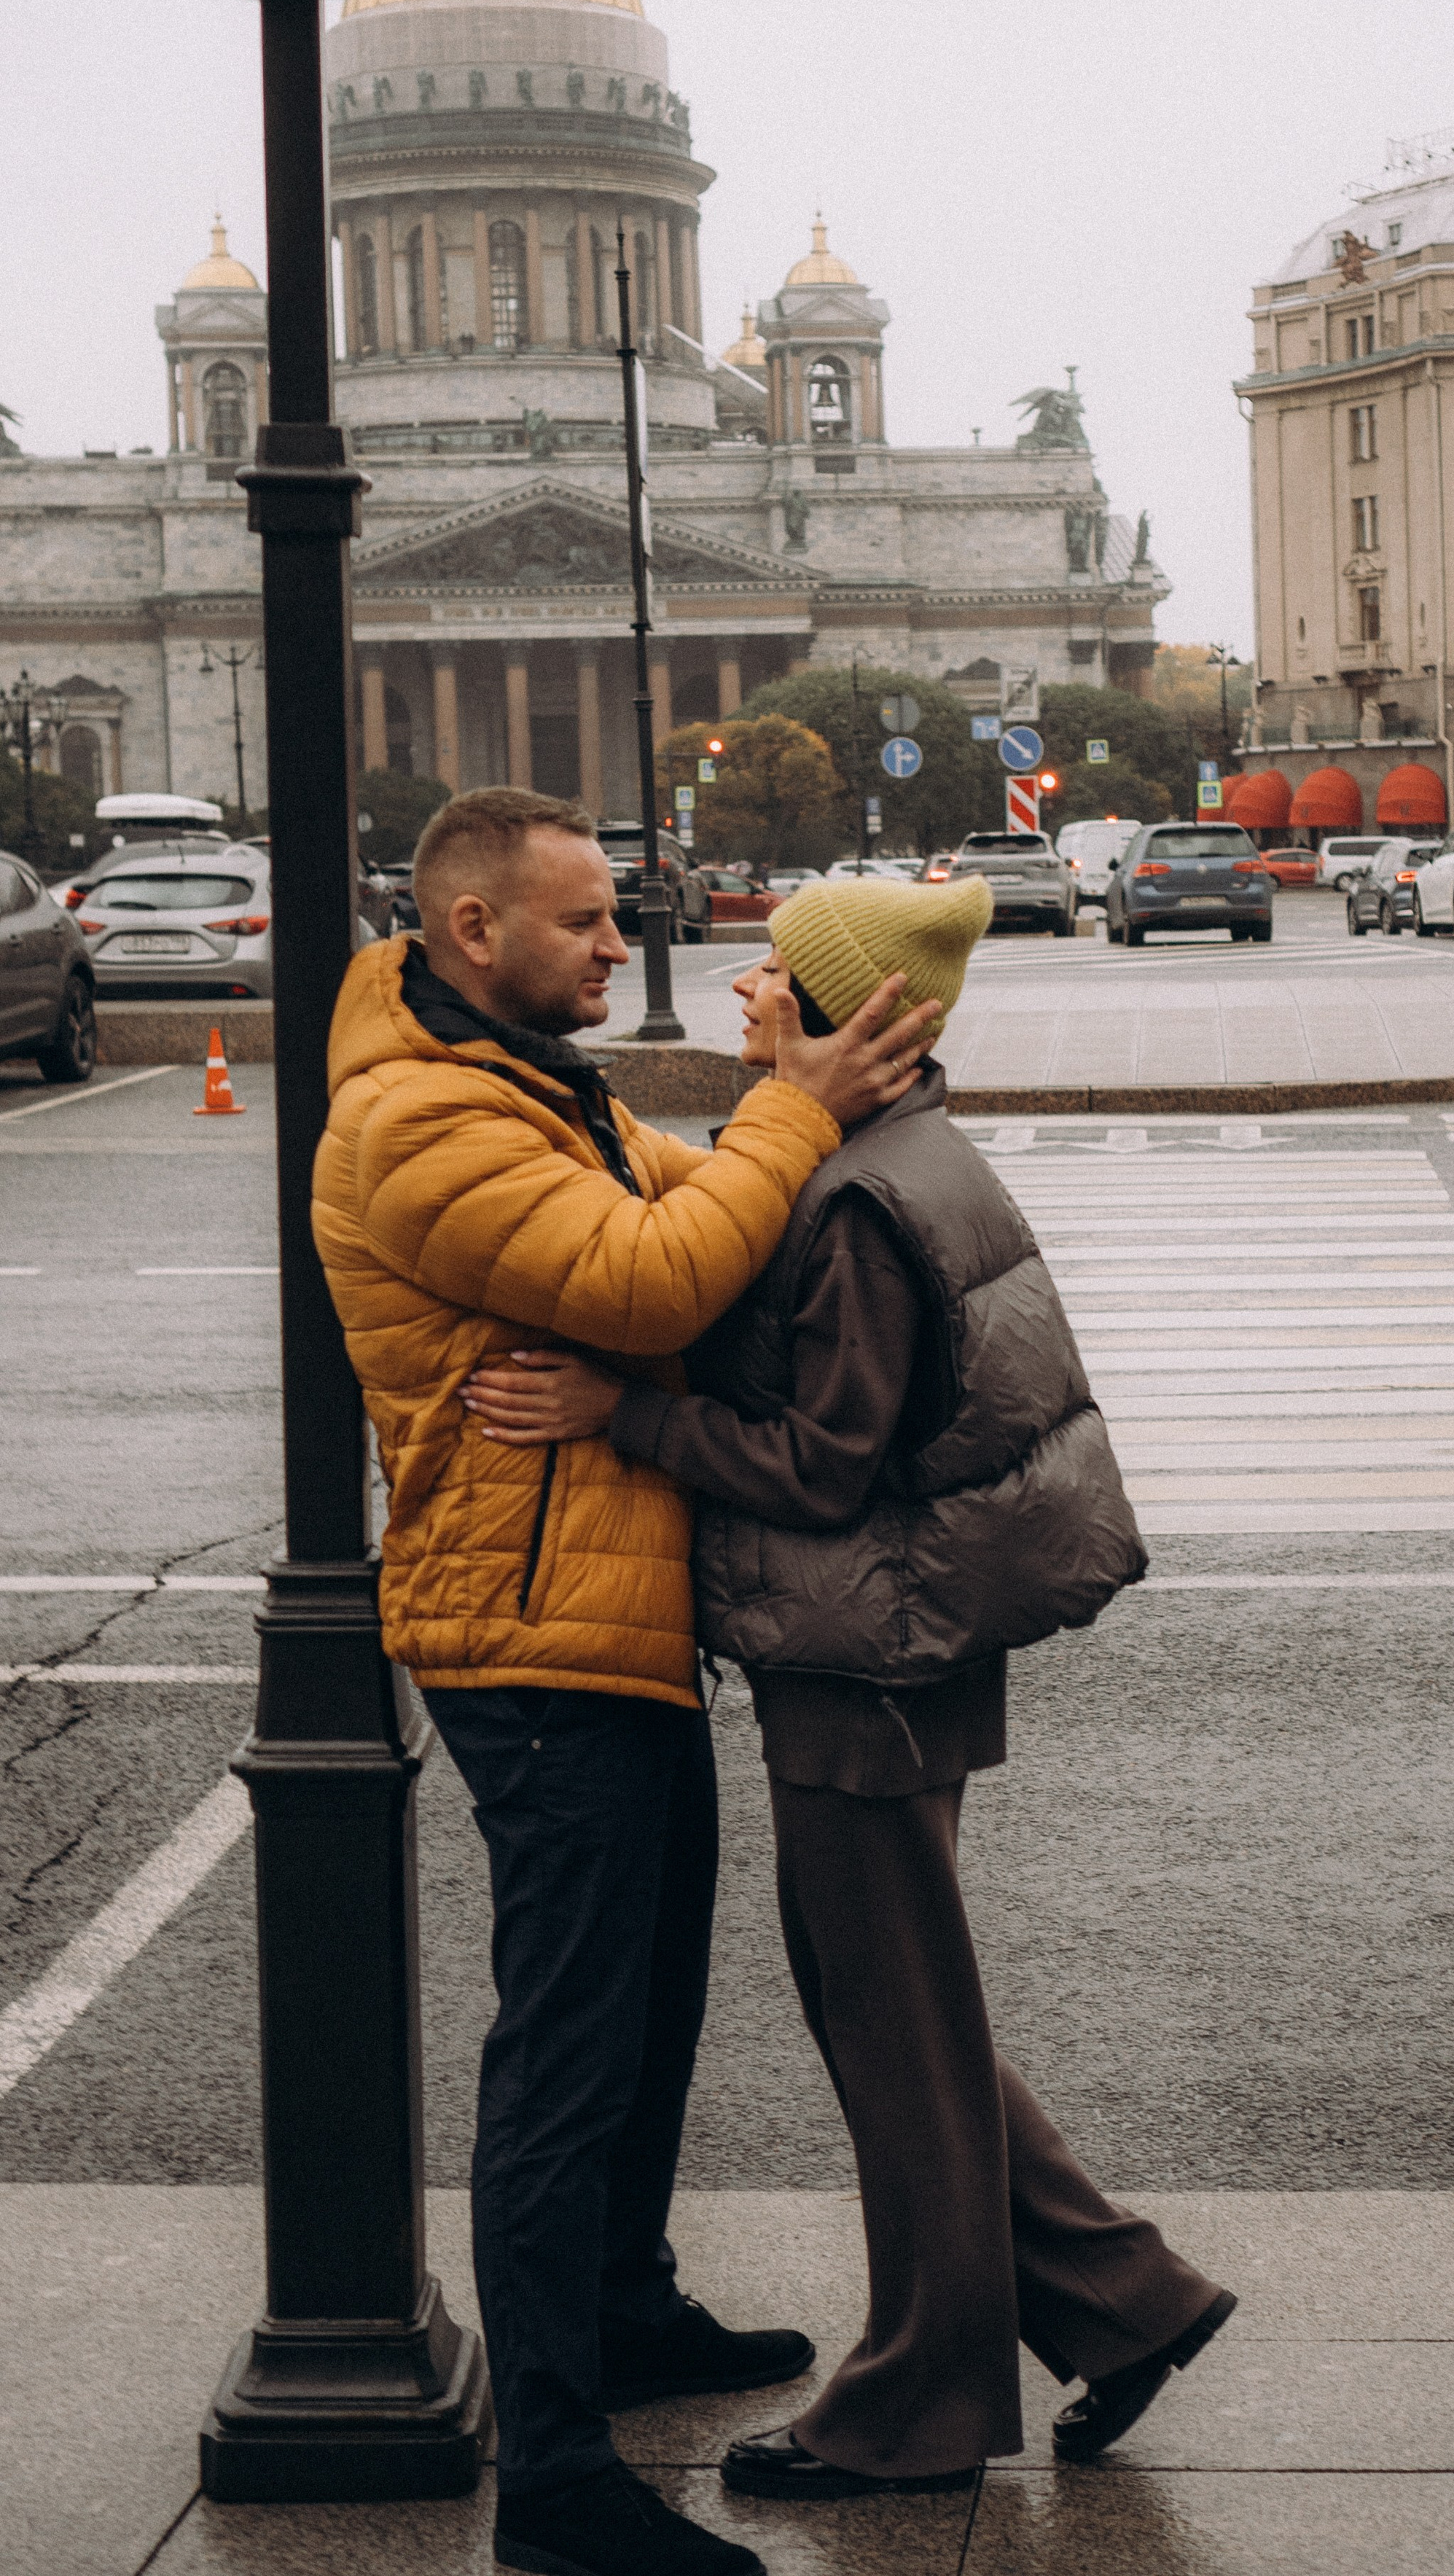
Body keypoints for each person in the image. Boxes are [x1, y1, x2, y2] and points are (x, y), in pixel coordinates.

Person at [464, 870, 1235, 2510]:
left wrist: (622, 1413)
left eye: (775, 976)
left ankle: (916, 2407)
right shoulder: (892, 1159)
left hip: (863, 1656)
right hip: (891, 1650)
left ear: (841, 1010)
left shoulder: (858, 1205)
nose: (742, 988)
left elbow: (819, 1467)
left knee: (892, 2034)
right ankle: (1120, 2300)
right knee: (899, 2013)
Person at [311, 787, 941, 2576]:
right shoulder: (421, 1119)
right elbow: (659, 1278)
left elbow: (713, 1235)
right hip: (526, 1630)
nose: (621, 941)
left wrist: (794, 1106)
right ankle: (563, 2486)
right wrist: (782, 1112)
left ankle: (628, 2306)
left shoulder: (532, 1085)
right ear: (469, 934)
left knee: (649, 2003)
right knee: (568, 2054)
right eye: (587, 922)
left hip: (605, 1608)